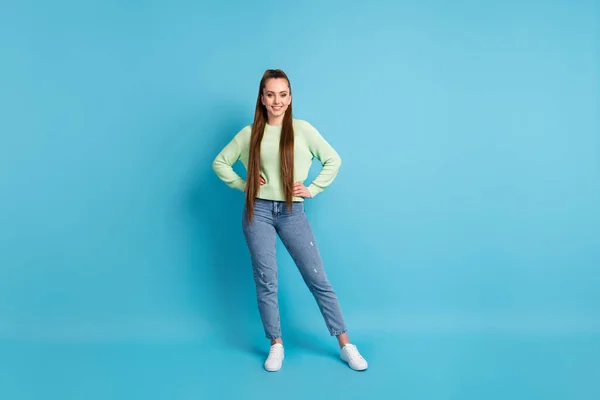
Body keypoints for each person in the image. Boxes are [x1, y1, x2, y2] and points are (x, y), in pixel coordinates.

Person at [212, 69, 368, 372]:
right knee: (266, 280)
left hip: (291, 211)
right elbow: (220, 163)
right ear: (262, 97)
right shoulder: (249, 134)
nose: (277, 101)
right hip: (257, 210)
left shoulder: (303, 130)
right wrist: (244, 184)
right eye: (270, 94)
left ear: (290, 96)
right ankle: (276, 344)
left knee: (317, 278)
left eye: (283, 94)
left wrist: (312, 188)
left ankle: (346, 344)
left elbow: (332, 159)